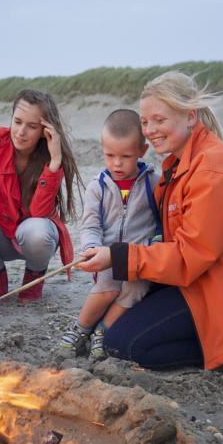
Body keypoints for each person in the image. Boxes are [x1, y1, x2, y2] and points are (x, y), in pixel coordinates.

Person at [79, 71, 223, 370]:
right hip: (203, 280)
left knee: (122, 344)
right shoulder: (181, 162)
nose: (150, 130)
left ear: (190, 117)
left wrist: (117, 255)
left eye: (159, 120)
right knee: (118, 316)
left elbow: (190, 255)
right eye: (145, 122)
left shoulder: (213, 171)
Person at [0, 89, 83, 303]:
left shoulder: (50, 154)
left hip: (34, 237)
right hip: (0, 231)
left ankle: (34, 275)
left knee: (36, 230)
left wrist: (55, 163)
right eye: (17, 122)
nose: (21, 132)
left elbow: (40, 212)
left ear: (45, 130)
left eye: (31, 126)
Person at [60, 109, 160, 358]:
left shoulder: (153, 182)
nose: (117, 163)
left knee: (135, 290)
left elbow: (162, 222)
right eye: (110, 155)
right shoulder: (98, 187)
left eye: (125, 156)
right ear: (102, 148)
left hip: (139, 257)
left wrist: (155, 244)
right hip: (106, 254)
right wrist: (92, 246)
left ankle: (102, 331)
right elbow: (90, 223)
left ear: (142, 151)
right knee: (107, 288)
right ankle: (81, 328)